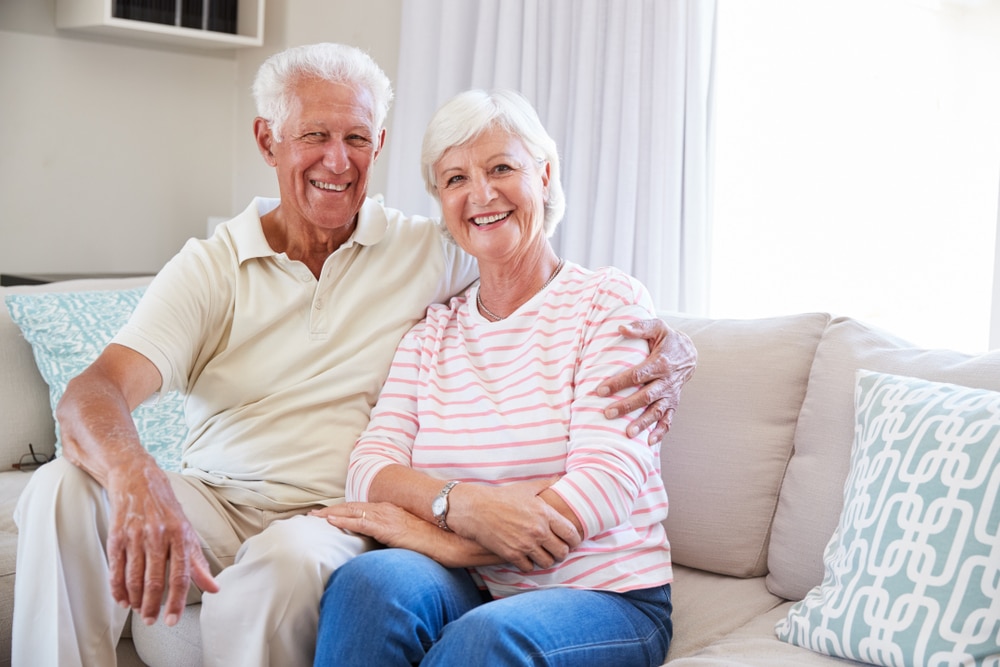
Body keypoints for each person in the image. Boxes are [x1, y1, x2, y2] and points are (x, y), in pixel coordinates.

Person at [11, 44, 693, 667]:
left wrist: (674, 340)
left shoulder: (426, 252)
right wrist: (136, 475)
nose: (338, 160)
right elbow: (93, 391)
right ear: (267, 140)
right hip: (220, 497)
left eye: (356, 139)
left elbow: (531, 262)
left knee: (298, 563)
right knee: (59, 489)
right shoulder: (216, 269)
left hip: (332, 518)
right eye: (314, 136)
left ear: (379, 145)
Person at [311, 89, 678, 667]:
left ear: (546, 175)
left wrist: (447, 542)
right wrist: (464, 504)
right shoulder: (432, 330)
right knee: (369, 582)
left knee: (484, 641)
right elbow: (369, 468)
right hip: (476, 590)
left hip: (603, 595)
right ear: (442, 202)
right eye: (455, 179)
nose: (480, 194)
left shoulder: (608, 302)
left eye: (502, 168)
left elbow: (606, 480)